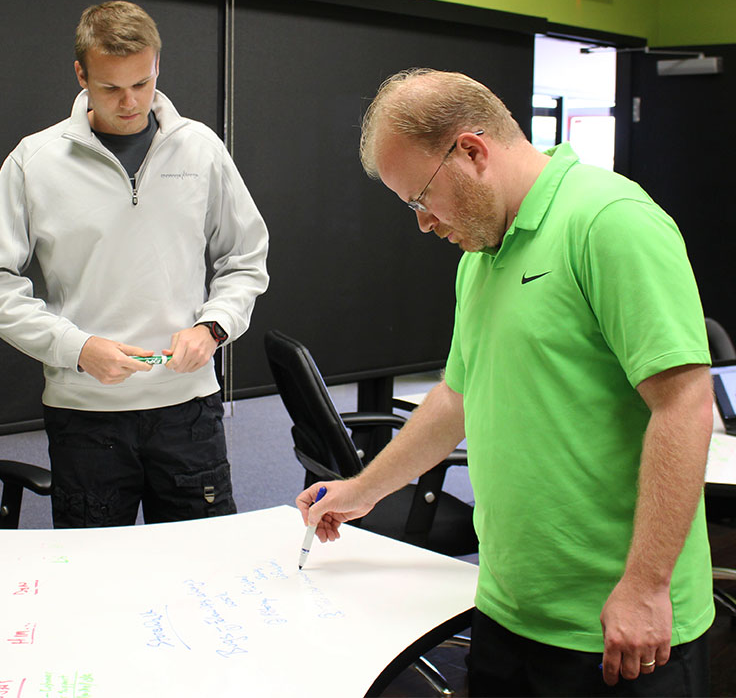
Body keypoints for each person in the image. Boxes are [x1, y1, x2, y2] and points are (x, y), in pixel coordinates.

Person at [298, 68, 714, 696]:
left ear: (471, 151)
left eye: (420, 199)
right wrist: (364, 489)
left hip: (615, 627)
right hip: (506, 609)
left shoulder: (610, 221)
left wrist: (647, 585)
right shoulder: (480, 257)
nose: (422, 223)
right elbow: (456, 398)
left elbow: (684, 404)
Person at [0, 0, 268, 529]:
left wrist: (214, 327)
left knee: (205, 564)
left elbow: (245, 258)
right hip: (87, 414)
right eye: (110, 88)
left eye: (142, 83)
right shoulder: (34, 162)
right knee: (94, 577)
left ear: (157, 68)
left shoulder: (200, 150)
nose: (130, 102)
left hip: (187, 407)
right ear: (81, 75)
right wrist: (76, 348)